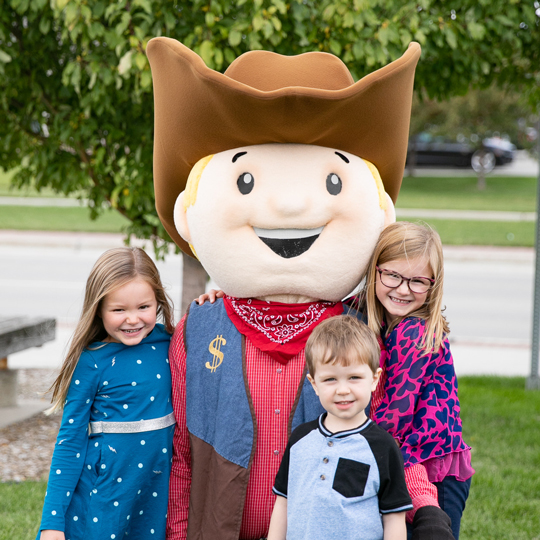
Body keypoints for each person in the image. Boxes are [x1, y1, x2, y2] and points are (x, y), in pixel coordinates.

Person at [36, 247, 176, 540]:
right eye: (118, 309)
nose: (133, 319)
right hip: (104, 491)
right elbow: (69, 441)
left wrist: (210, 300)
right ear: (98, 309)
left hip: (157, 488)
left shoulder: (172, 344)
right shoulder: (93, 361)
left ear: (159, 302)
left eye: (143, 307)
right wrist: (52, 522)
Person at [359, 221, 474, 540]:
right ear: (375, 271)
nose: (403, 289)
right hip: (407, 458)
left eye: (418, 281)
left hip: (433, 466)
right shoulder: (375, 319)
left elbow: (395, 416)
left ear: (433, 285)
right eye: (393, 275)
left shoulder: (415, 332)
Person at [267, 315, 412, 540]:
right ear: (314, 383)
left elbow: (394, 517)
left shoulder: (382, 447)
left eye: (354, 377)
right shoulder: (300, 439)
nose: (342, 390)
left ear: (374, 379)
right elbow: (283, 502)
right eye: (330, 380)